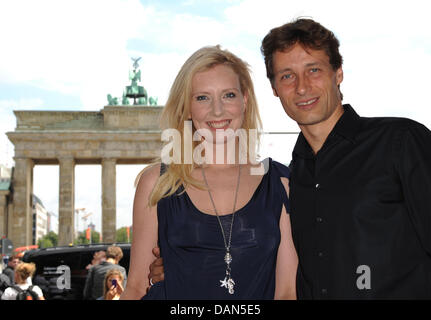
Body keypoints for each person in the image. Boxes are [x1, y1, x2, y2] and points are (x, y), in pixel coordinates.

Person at [149, 18, 431, 300]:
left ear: (339, 73)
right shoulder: (290, 178)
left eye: (314, 70)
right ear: (274, 89)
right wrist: (182, 266)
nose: (302, 87)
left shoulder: (400, 142)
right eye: (287, 76)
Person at [120, 45, 298, 300]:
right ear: (187, 108)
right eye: (202, 97)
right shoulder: (157, 183)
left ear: (245, 100)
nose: (217, 111)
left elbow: (287, 293)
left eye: (228, 95)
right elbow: (137, 288)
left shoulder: (280, 183)